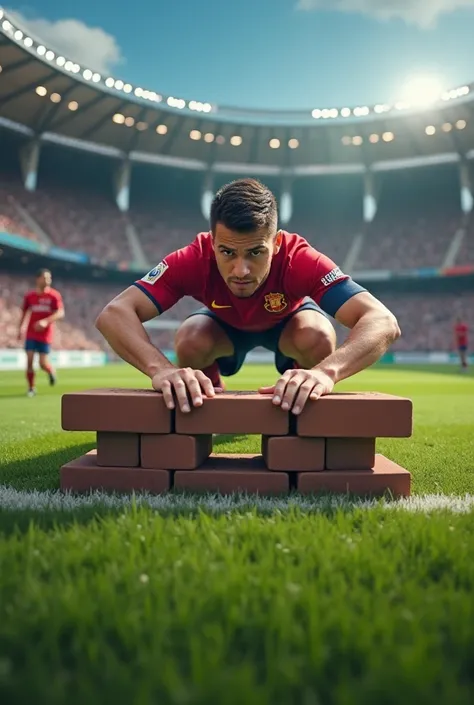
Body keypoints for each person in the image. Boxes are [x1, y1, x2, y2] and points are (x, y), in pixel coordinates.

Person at [95, 178, 401, 415]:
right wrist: (161, 370)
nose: (240, 270)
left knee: (317, 335)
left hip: (289, 323)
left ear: (277, 242)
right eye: (227, 252)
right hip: (224, 325)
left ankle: (302, 393)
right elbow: (114, 314)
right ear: (212, 241)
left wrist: (326, 373)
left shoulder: (301, 259)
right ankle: (207, 396)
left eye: (255, 252)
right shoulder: (192, 258)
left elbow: (382, 321)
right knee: (189, 338)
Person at [18, 268, 65, 397]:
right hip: (31, 332)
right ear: (38, 279)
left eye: (49, 278)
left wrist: (46, 321)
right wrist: (20, 328)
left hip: (45, 334)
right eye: (45, 278)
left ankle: (50, 371)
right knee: (29, 360)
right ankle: (31, 388)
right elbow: (24, 312)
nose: (48, 281)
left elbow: (60, 312)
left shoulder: (54, 295)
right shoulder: (30, 296)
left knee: (42, 363)